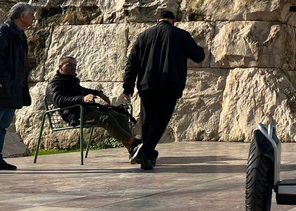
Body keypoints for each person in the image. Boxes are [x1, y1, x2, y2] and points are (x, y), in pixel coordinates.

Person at [123, 10, 205, 170]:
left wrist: (128, 87)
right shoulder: (181, 35)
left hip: (147, 85)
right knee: (161, 121)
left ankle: (147, 159)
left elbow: (131, 64)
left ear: (157, 21)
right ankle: (145, 153)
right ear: (173, 21)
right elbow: (198, 56)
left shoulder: (143, 36)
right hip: (170, 85)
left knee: (148, 122)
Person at [47, 56, 139, 153]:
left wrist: (98, 93)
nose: (73, 67)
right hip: (76, 115)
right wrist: (82, 99)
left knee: (121, 117)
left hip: (88, 110)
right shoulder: (54, 84)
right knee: (106, 119)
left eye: (75, 65)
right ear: (60, 67)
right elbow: (59, 100)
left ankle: (132, 149)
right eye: (69, 65)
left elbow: (82, 90)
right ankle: (135, 143)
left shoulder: (72, 80)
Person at [0, 3, 34, 171]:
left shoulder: (20, 34)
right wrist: (8, 80)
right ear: (22, 16)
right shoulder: (4, 31)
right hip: (3, 88)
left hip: (12, 89)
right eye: (31, 15)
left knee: (3, 125)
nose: (33, 18)